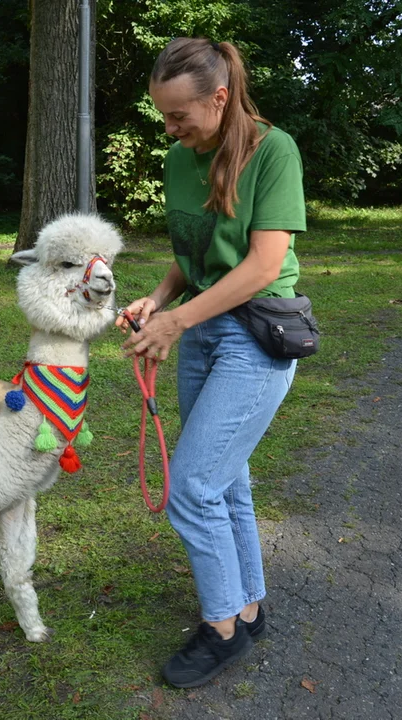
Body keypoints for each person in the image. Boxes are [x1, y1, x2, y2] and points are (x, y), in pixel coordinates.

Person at [116, 37, 306, 689]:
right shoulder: (178, 158)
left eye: (178, 116)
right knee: (225, 482)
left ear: (219, 99)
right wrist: (159, 299)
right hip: (200, 333)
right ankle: (248, 609)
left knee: (191, 486)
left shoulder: (271, 151)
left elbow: (259, 266)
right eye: (163, 116)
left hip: (254, 337)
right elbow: (191, 247)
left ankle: (221, 628)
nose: (169, 129)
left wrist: (176, 319)